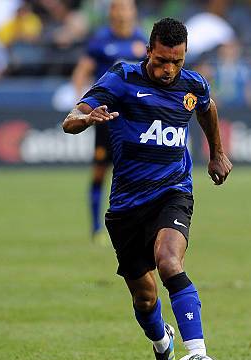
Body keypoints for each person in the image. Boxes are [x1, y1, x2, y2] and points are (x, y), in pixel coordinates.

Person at [62, 17, 232, 360]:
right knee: (144, 297)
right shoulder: (122, 77)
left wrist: (217, 153)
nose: (169, 69)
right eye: (162, 61)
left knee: (169, 261)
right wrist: (87, 119)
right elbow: (70, 119)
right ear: (148, 51)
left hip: (173, 192)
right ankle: (162, 344)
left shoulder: (193, 84)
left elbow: (207, 107)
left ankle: (198, 356)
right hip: (125, 207)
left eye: (177, 61)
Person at [71, 0, 147, 241]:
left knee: (138, 174)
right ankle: (95, 228)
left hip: (134, 119)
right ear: (112, 12)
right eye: (119, 8)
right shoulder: (100, 40)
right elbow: (81, 72)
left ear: (133, 12)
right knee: (99, 172)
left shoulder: (142, 40)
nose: (124, 13)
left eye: (127, 8)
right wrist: (82, 105)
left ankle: (140, 225)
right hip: (105, 118)